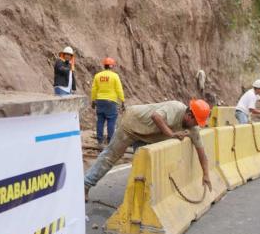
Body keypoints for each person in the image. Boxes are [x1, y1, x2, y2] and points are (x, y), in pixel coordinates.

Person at [84, 99, 212, 200]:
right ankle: (85, 185)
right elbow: (156, 116)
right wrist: (171, 134)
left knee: (144, 165)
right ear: (189, 115)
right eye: (196, 122)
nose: (196, 125)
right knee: (110, 156)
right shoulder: (176, 107)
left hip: (147, 136)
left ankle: (137, 198)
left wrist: (206, 174)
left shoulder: (192, 129)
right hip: (132, 124)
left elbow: (202, 153)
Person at [91, 57, 125, 144]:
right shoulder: (114, 76)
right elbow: (119, 89)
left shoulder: (98, 76)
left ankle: (100, 140)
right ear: (112, 66)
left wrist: (93, 100)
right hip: (111, 101)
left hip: (100, 101)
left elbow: (94, 89)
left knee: (100, 121)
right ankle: (110, 140)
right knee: (111, 121)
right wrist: (122, 100)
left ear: (104, 65)